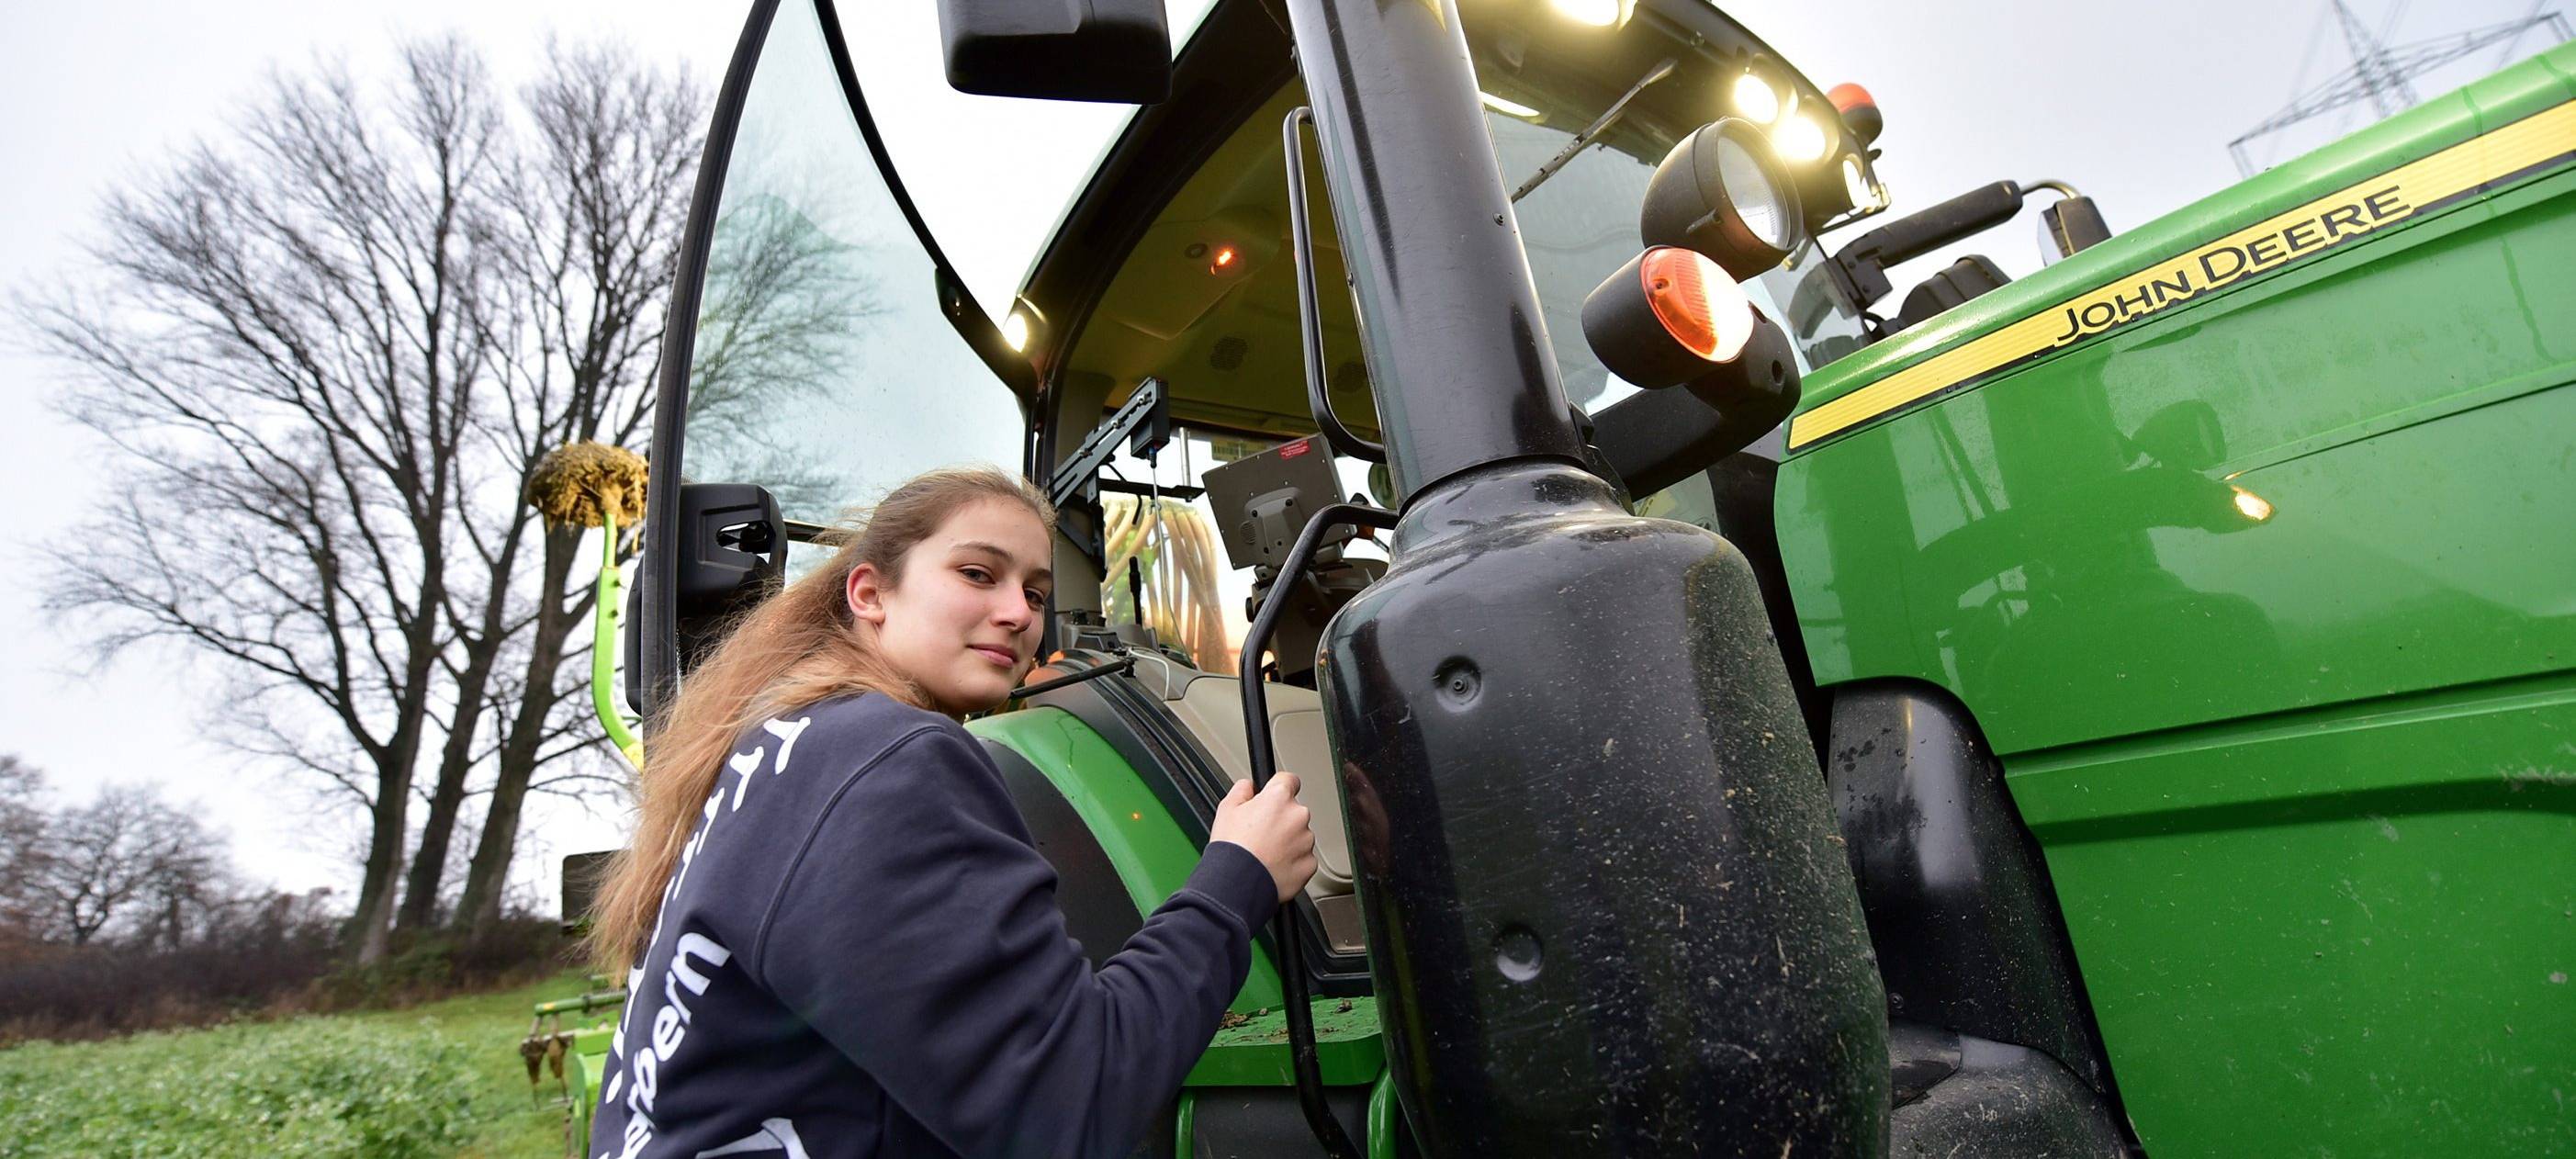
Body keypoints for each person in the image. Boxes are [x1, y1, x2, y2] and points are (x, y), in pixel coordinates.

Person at [583, 467, 1319, 1159]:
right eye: (977, 573)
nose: (1018, 615)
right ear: (870, 593)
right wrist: (1238, 878)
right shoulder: (891, 759)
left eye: (1035, 594)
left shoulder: (784, 751)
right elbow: (1067, 1106)